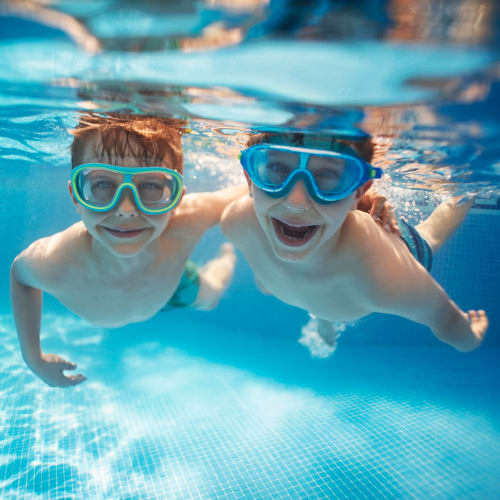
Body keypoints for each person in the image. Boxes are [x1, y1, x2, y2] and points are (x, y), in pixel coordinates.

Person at [10, 114, 246, 388]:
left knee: (211, 296)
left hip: (172, 283)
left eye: (150, 187)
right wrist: (33, 357)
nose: (125, 210)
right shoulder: (55, 260)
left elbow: (254, 191)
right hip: (156, 286)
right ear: (76, 195)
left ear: (176, 199)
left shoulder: (189, 216)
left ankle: (226, 255)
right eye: (102, 186)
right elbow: (19, 275)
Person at [221, 132, 488, 355]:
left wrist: (469, 337)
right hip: (326, 292)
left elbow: (446, 321)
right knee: (318, 299)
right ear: (248, 179)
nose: (296, 203)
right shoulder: (237, 223)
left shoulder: (381, 274)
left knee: (433, 234)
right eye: (278, 168)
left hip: (395, 248)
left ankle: (466, 188)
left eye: (328, 175)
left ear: (358, 192)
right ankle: (324, 317)